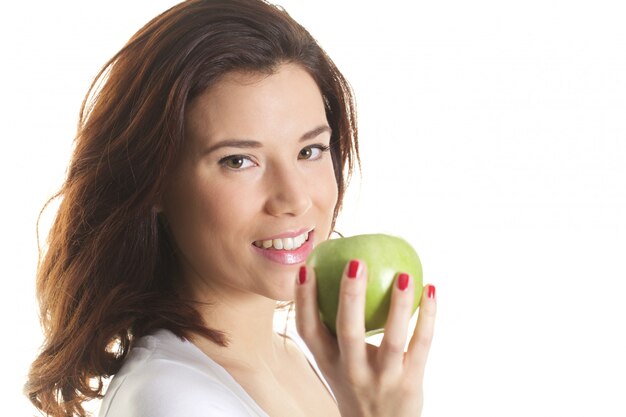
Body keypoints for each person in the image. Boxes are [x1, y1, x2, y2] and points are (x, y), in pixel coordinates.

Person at [25, 0, 437, 416]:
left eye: (310, 150)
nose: (294, 199)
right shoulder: (171, 400)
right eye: (238, 161)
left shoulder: (302, 358)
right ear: (155, 184)